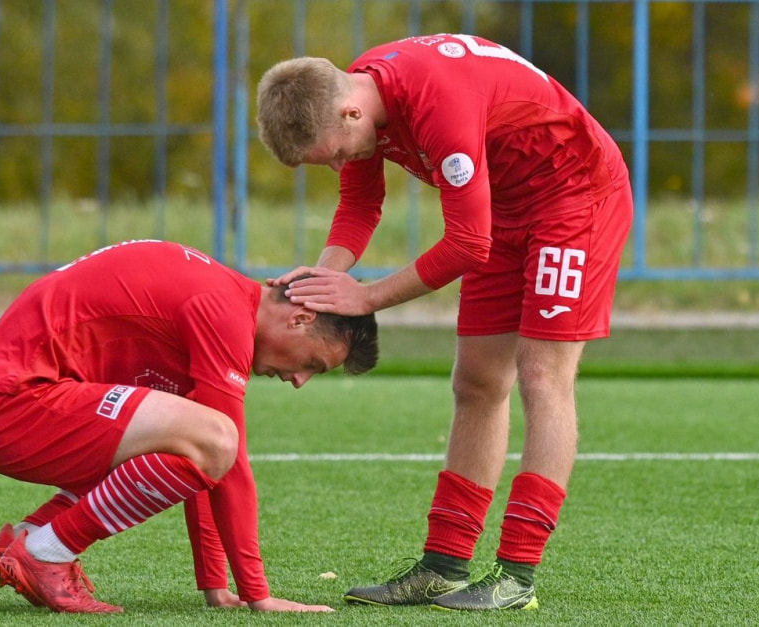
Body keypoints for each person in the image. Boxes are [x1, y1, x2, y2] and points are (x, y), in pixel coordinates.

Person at [256, 33, 633, 611]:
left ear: (349, 110)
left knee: (541, 375)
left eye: (334, 152)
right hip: (503, 206)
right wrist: (321, 280)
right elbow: (360, 206)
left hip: (575, 198)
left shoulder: (437, 103)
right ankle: (444, 566)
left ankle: (517, 576)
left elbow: (465, 244)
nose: (339, 163)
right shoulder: (354, 93)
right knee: (476, 382)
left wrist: (367, 298)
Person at [0, 238, 379, 614]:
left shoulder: (224, 296)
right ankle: (46, 553)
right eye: (312, 364)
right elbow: (227, 460)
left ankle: (29, 539)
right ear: (300, 318)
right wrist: (258, 595)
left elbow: (202, 464)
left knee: (200, 438)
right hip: (7, 405)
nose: (299, 381)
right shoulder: (224, 313)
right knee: (216, 438)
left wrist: (216, 586)